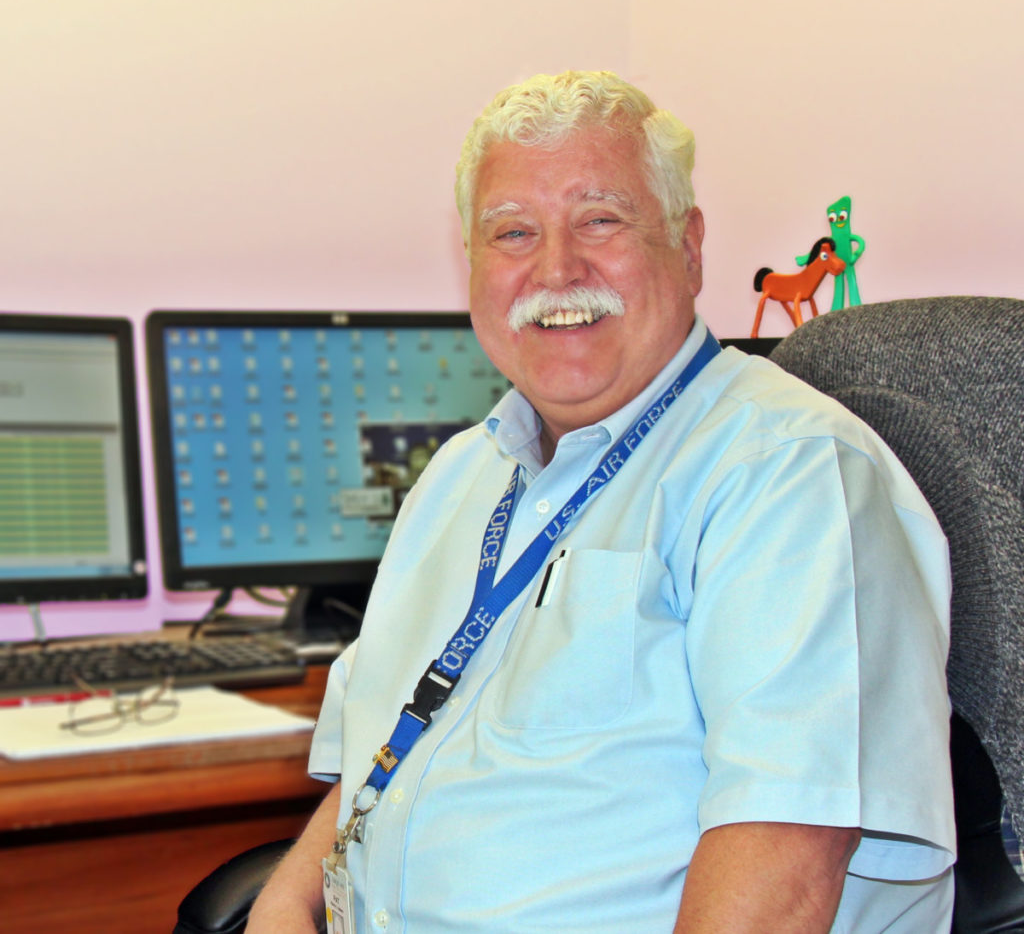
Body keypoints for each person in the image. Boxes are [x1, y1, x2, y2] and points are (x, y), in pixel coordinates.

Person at [249, 70, 955, 933]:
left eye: (600, 220)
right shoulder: (458, 477)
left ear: (689, 248)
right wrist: (284, 903)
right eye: (512, 232)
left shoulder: (792, 473)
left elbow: (782, 876)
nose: (556, 268)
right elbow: (390, 749)